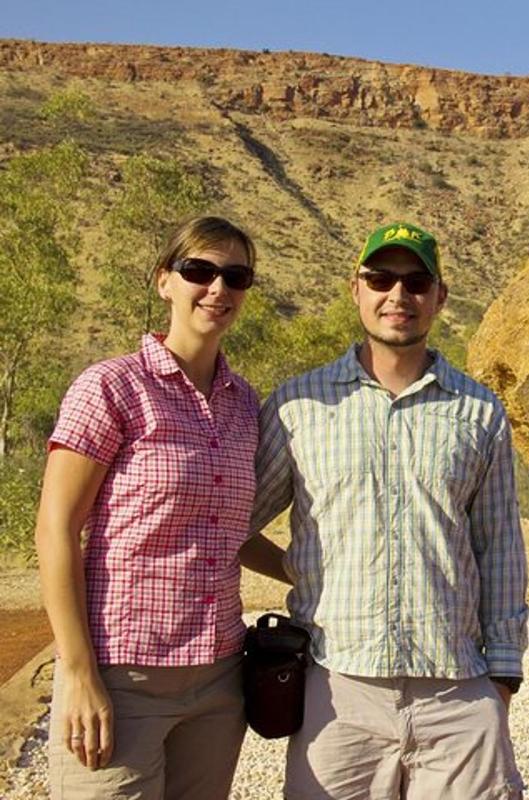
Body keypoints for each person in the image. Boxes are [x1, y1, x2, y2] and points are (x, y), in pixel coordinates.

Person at [240, 222, 529, 799]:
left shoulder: (479, 411)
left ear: (439, 297)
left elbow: (499, 548)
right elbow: (233, 521)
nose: (398, 295)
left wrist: (500, 681)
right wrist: (300, 567)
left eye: (416, 281)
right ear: (357, 289)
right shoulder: (300, 405)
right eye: (381, 278)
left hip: (457, 688)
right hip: (337, 686)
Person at [35, 216, 260, 799]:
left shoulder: (246, 405)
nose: (217, 289)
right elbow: (57, 530)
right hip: (121, 675)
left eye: (235, 276)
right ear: (164, 280)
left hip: (219, 679)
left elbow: (231, 527)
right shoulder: (111, 387)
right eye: (199, 271)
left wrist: (305, 569)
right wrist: (79, 673)